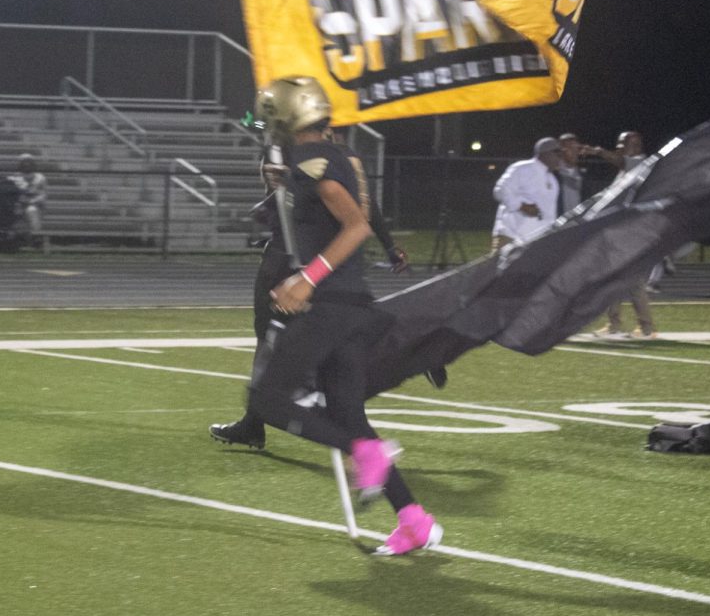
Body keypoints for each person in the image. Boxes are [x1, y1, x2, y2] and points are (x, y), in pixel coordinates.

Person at [236, 75, 442, 556]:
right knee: (348, 414)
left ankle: (365, 453)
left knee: (267, 399)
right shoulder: (315, 160)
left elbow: (356, 226)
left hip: (331, 306)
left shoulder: (314, 163)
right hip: (348, 306)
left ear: (286, 118)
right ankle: (414, 520)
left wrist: (308, 278)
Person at [210, 137, 412, 450]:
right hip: (320, 265)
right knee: (321, 351)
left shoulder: (313, 155)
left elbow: (355, 213)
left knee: (289, 350)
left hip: (303, 264)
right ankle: (259, 421)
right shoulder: (335, 154)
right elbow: (361, 206)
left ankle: (360, 438)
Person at [586, 132, 657, 339]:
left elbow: (619, 160)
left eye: (622, 146)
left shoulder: (639, 163)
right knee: (612, 279)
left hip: (632, 233)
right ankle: (614, 324)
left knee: (633, 281)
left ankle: (647, 328)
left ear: (632, 146)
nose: (618, 150)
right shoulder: (625, 170)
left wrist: (597, 151)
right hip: (619, 232)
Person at [491, 137, 563, 251]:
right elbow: (500, 191)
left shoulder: (553, 180)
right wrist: (522, 206)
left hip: (537, 241)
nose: (560, 159)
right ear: (545, 154)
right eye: (558, 155)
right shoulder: (523, 168)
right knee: (498, 269)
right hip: (510, 236)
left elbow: (549, 214)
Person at [10, 153, 47, 246]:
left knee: (31, 210)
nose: (27, 164)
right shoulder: (14, 177)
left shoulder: (40, 177)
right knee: (15, 210)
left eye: (29, 162)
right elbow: (12, 193)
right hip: (19, 204)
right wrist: (20, 201)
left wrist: (32, 201)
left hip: (35, 205)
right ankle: (16, 237)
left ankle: (36, 236)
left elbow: (43, 195)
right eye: (24, 162)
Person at [556, 133, 585, 215]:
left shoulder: (584, 174)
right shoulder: (553, 173)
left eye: (576, 148)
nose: (574, 152)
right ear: (561, 150)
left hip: (577, 223)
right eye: (569, 148)